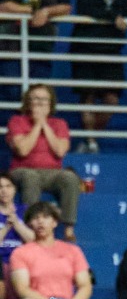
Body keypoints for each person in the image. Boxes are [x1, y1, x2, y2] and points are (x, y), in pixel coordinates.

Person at [70, 0, 127, 153]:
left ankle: (91, 138)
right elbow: (85, 7)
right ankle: (90, 142)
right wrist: (112, 17)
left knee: (111, 99)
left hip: (111, 49)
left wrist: (111, 16)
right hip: (86, 45)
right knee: (87, 96)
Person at [5, 86, 82, 241]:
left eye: (44, 99)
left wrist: (44, 124)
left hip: (52, 173)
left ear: (50, 103)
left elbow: (60, 151)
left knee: (70, 178)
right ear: (28, 102)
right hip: (22, 170)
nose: (39, 103)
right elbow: (23, 150)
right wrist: (37, 125)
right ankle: (30, 227)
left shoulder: (59, 124)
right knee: (30, 176)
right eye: (35, 98)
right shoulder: (17, 121)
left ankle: (68, 228)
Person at [0, 0, 72, 96]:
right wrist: (33, 11)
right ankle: (18, 121)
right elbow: (4, 6)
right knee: (13, 91)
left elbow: (66, 7)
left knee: (38, 92)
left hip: (41, 45)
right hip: (11, 45)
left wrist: (46, 11)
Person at [0, 174, 33, 274]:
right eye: (0, 187)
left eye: (8, 186)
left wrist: (16, 223)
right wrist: (6, 226)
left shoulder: (25, 210)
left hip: (22, 262)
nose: (4, 190)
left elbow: (33, 240)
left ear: (15, 189)